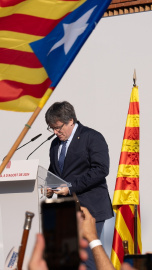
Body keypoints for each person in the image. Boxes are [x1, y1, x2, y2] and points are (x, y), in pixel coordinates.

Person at [45, 101, 113, 269]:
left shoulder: (92, 137)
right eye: (51, 128)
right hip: (64, 211)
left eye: (58, 127)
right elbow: (54, 170)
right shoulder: (55, 144)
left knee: (88, 259)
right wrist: (49, 186)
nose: (55, 132)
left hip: (89, 208)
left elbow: (101, 170)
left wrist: (70, 187)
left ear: (71, 121)